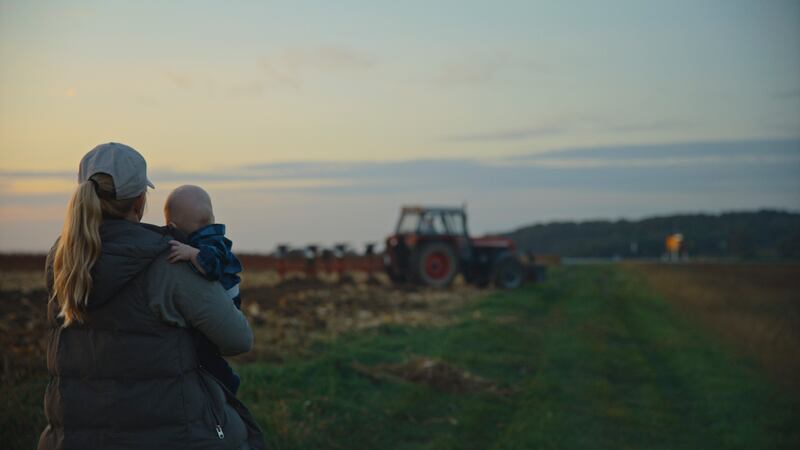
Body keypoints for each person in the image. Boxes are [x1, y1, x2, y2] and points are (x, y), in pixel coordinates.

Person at [37, 142, 265, 449]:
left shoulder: (62, 261)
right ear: (139, 202)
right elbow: (238, 339)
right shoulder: (166, 261)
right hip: (173, 437)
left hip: (71, 439)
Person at [164, 184, 244, 394]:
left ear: (172, 226)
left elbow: (211, 268)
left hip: (228, 300)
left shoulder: (208, 244)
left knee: (207, 352)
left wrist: (191, 254)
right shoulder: (209, 238)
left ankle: (227, 382)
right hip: (226, 297)